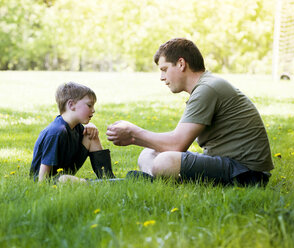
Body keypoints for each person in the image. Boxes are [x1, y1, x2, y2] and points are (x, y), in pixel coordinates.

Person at [106, 38, 274, 186]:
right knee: (148, 154)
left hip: (246, 173)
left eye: (164, 69)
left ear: (181, 64)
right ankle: (157, 181)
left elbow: (176, 144)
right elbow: (176, 140)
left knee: (165, 160)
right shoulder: (205, 86)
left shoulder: (207, 88)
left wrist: (133, 134)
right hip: (228, 164)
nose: (162, 77)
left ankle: (157, 180)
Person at [30, 82, 115, 183]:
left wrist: (90, 126)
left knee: (91, 134)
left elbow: (87, 136)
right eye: (89, 105)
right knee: (64, 179)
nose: (93, 110)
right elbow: (42, 176)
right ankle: (91, 183)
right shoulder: (56, 132)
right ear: (71, 105)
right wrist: (42, 186)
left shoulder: (76, 127)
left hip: (65, 173)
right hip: (49, 180)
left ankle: (108, 178)